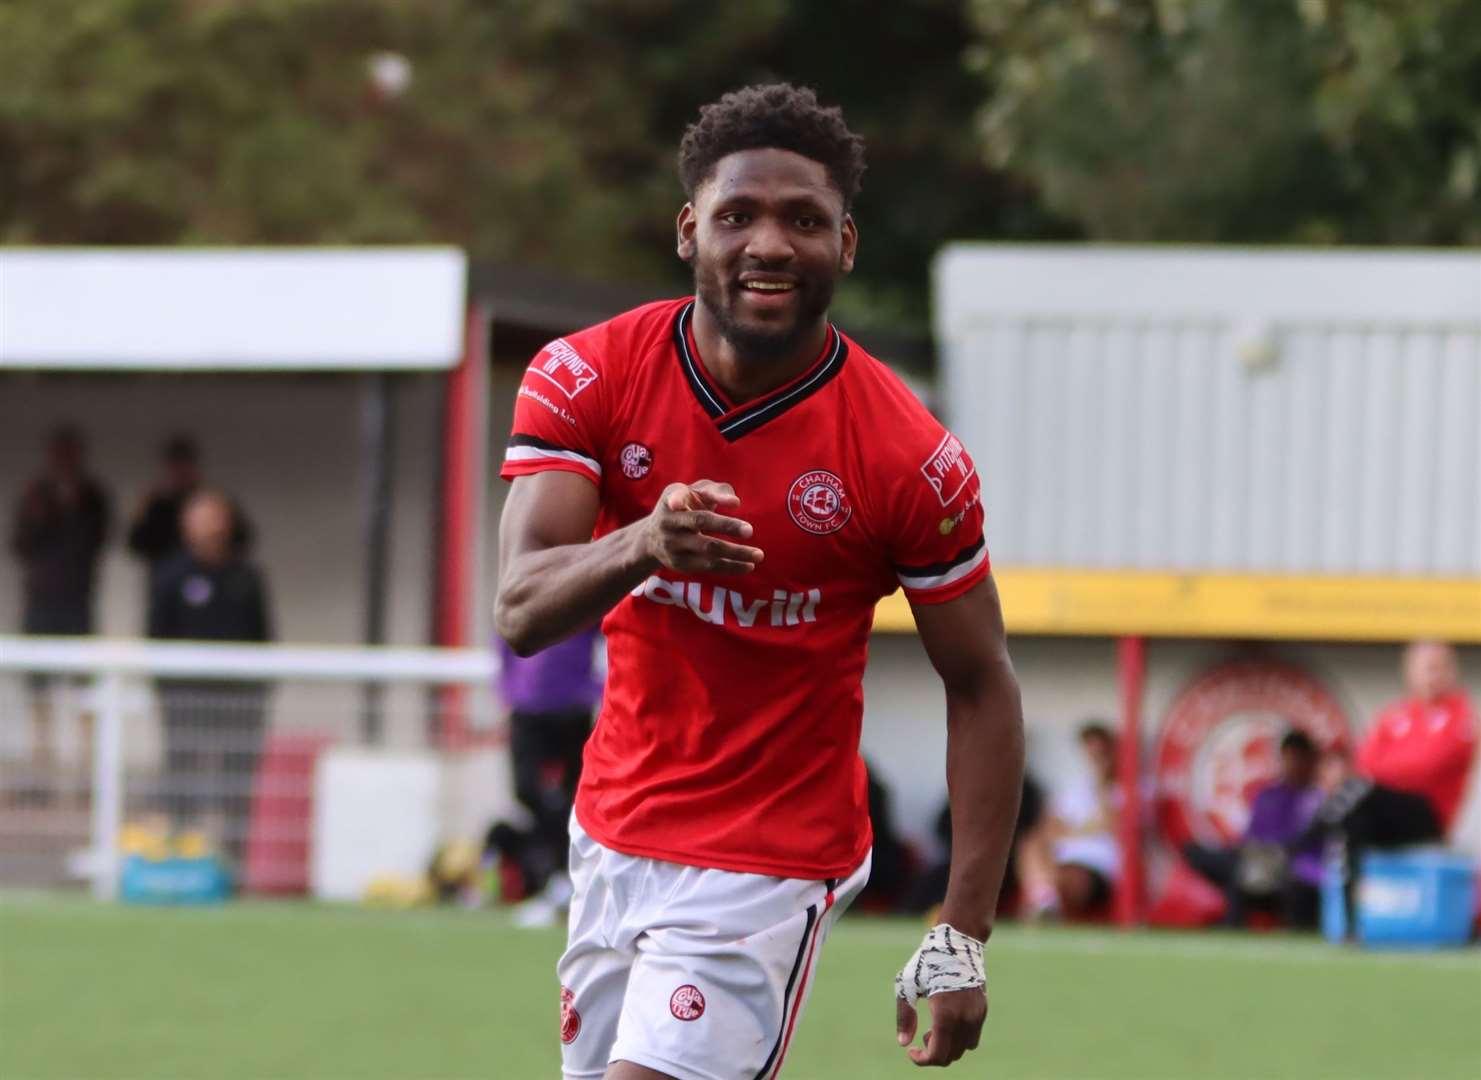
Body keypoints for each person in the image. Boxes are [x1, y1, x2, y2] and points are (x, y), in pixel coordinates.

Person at [495, 84, 1024, 1078]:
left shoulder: (906, 455)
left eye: (803, 220)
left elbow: (982, 681)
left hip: (765, 860)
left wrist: (961, 934)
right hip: (611, 835)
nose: (769, 244)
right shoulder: (586, 377)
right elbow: (520, 608)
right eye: (737, 215)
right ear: (689, 231)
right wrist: (641, 545)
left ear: (846, 244)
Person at [1305, 641, 1476, 936]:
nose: (1433, 675)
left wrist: (1387, 771)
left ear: (1452, 671)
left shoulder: (1461, 715)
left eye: (1440, 667)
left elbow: (1427, 766)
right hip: (1382, 807)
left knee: (1362, 791)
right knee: (1355, 820)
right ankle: (1350, 925)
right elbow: (1365, 761)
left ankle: (1303, 839)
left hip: (1426, 815)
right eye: (1427, 668)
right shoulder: (1395, 715)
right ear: (1409, 672)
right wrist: (1388, 772)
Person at [148, 489, 273, 864]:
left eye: (215, 515)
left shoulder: (246, 576)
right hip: (185, 697)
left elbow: (263, 635)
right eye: (200, 516)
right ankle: (181, 856)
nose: (208, 525)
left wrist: (257, 688)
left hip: (237, 699)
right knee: (183, 774)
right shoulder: (170, 575)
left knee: (236, 779)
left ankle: (233, 863)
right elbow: (156, 635)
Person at [9, 425, 111, 792]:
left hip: (77, 603)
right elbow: (20, 544)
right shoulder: (36, 494)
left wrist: (73, 507)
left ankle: (87, 774)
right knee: (39, 693)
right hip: (41, 603)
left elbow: (99, 539)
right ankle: (41, 771)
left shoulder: (92, 495)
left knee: (85, 691)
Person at [495, 626, 604, 925]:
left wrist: (598, 689)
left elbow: (614, 637)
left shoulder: (584, 589)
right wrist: (507, 688)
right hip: (528, 705)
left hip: (571, 708)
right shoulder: (528, 586)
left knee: (576, 799)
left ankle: (566, 882)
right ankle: (557, 877)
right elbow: (507, 633)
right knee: (527, 791)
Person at [1182, 730, 1324, 929]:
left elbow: (1304, 841)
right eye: (1289, 759)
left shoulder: (1316, 799)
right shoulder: (1267, 794)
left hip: (1289, 863)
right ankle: (1233, 921)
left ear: (1311, 762)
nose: (1294, 765)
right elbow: (1250, 836)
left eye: (1299, 759)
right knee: (1199, 852)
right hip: (1255, 857)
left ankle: (1233, 923)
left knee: (1246, 868)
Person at [1016, 723, 1119, 921]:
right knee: (1029, 845)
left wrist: (1102, 785)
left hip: (1098, 866)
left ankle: (1045, 902)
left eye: (1101, 754)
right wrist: (1089, 829)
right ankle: (1047, 902)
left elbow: (1113, 824)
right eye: (1092, 753)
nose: (1096, 760)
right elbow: (1049, 828)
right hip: (1064, 858)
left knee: (1062, 878)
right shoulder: (1076, 787)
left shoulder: (1127, 788)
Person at [127, 435, 253, 585]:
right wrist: (143, 510)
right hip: (166, 580)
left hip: (213, 578)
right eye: (175, 466)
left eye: (184, 465)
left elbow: (242, 538)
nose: (180, 473)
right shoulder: (157, 505)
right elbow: (135, 544)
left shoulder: (212, 502)